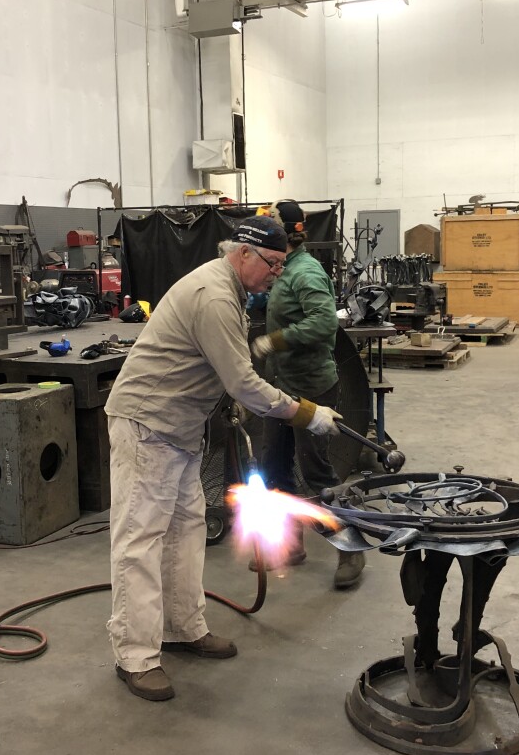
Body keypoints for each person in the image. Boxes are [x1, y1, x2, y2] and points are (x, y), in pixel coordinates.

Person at [104, 215, 343, 702]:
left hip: (181, 430)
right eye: (272, 264)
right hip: (149, 425)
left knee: (185, 530)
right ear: (243, 254)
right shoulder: (214, 295)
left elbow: (220, 368)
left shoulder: (229, 290)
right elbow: (243, 381)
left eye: (281, 264)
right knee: (141, 540)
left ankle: (183, 628)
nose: (277, 274)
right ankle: (135, 655)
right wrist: (306, 413)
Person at [250, 200, 366, 589]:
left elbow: (323, 324)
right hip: (280, 388)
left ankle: (350, 547)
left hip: (312, 388)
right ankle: (291, 545)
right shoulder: (280, 270)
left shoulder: (306, 271)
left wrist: (275, 340)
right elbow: (275, 301)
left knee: (317, 472)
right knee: (274, 469)